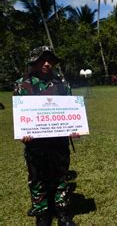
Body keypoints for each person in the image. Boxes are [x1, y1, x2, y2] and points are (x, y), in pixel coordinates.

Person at [14, 46, 78, 226]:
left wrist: (74, 127)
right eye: (43, 60)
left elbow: (70, 111)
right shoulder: (22, 84)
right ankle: (42, 214)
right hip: (35, 144)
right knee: (36, 178)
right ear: (34, 62)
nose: (47, 63)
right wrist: (23, 132)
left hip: (59, 142)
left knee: (61, 177)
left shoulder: (62, 84)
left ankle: (63, 213)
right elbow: (20, 115)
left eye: (50, 60)